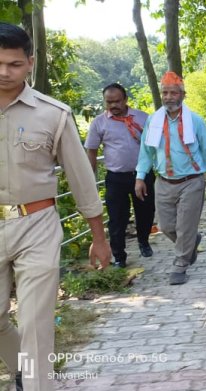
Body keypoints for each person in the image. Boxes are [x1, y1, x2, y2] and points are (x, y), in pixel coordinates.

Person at [0, 22, 111, 391]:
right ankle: (23, 370)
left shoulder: (53, 114)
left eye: (14, 64)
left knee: (35, 325)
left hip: (37, 224)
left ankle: (36, 383)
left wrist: (98, 237)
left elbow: (82, 179)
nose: (4, 72)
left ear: (30, 62)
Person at [135, 71, 206, 286]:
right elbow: (146, 152)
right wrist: (139, 177)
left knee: (185, 227)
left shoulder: (195, 121)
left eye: (173, 93)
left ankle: (180, 264)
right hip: (163, 181)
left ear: (182, 95)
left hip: (191, 181)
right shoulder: (153, 121)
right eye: (165, 92)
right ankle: (190, 243)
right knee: (165, 226)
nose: (168, 97)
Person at [85, 83, 155, 268]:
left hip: (143, 175)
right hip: (116, 177)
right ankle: (119, 256)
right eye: (109, 102)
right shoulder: (99, 122)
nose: (113, 105)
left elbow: (155, 145)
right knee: (117, 218)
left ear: (125, 100)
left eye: (117, 101)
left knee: (146, 212)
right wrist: (89, 177)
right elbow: (91, 151)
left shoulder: (142, 118)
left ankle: (143, 240)